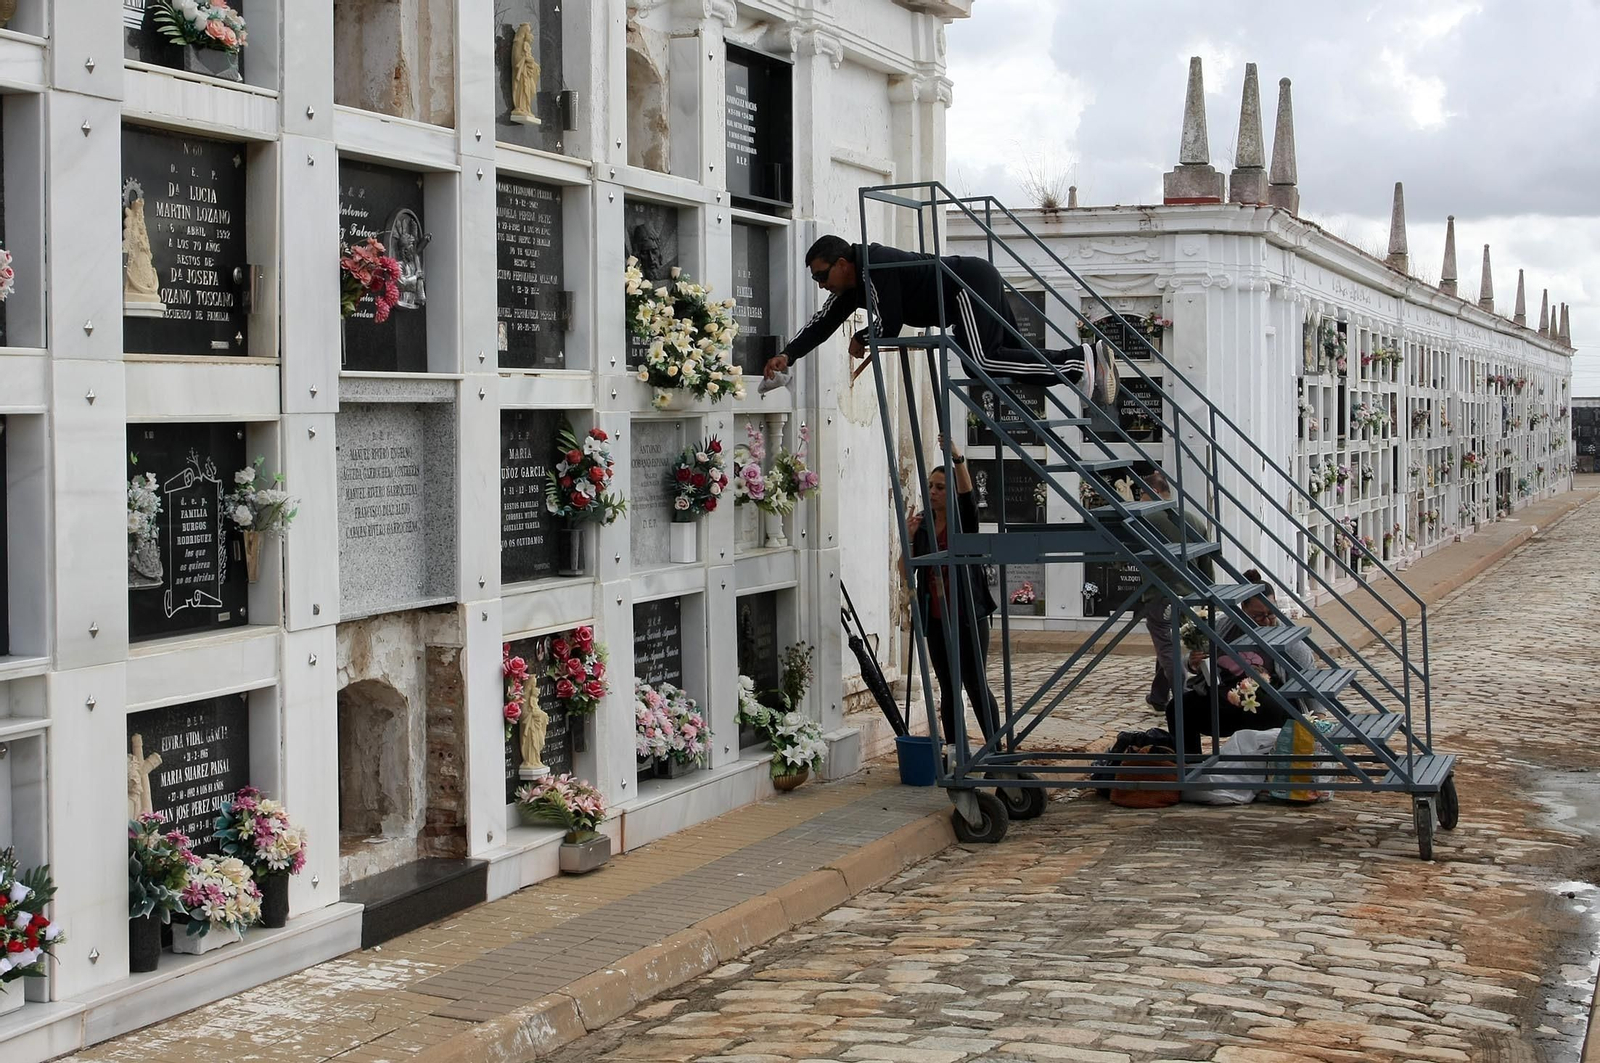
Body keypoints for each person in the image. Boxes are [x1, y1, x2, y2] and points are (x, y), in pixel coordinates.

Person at [765, 235, 1117, 403]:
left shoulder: (877, 265)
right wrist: (789, 355)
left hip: (965, 285)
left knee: (983, 359)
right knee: (990, 362)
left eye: (822, 276)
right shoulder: (853, 284)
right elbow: (823, 322)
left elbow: (891, 320)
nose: (822, 284)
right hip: (970, 285)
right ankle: (1087, 367)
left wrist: (863, 338)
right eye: (817, 280)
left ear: (842, 264)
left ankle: (1077, 362)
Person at [903, 436, 1000, 748]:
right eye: (931, 486)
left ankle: (994, 747)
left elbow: (969, 496)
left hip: (968, 614)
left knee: (975, 683)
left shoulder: (963, 521)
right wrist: (908, 539)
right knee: (947, 686)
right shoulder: (924, 525)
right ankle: (957, 749)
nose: (932, 492)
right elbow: (908, 572)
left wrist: (958, 460)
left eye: (940, 488)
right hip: (936, 617)